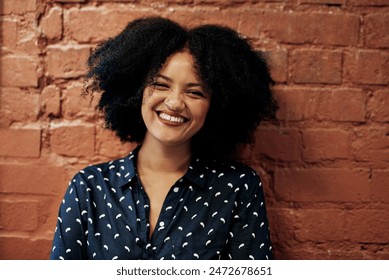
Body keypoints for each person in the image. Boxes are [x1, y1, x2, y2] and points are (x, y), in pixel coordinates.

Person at [50, 17, 278, 260]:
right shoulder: (88, 188)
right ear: (136, 91)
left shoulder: (238, 188)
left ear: (216, 105)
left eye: (195, 92)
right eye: (160, 84)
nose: (175, 103)